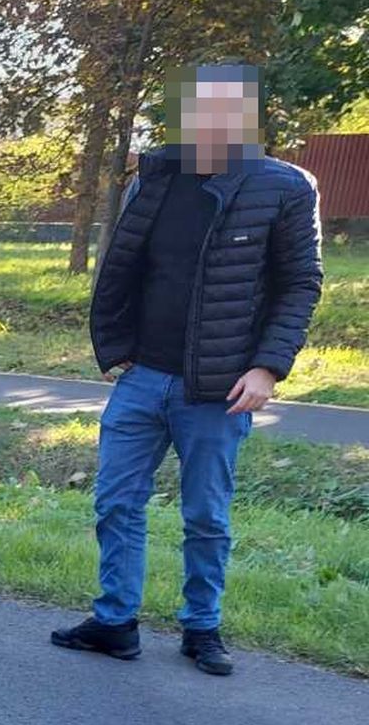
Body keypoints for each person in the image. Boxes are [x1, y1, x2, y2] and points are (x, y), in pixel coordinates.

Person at [53, 64, 323, 676]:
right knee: (116, 502)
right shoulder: (152, 180)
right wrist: (114, 342)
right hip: (142, 375)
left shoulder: (284, 187)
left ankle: (201, 626)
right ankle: (116, 621)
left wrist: (267, 368)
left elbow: (300, 284)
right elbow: (125, 265)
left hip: (220, 387)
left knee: (205, 515)